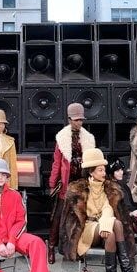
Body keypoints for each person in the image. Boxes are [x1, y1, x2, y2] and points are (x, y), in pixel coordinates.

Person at [62, 148, 137, 272]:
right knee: (115, 224)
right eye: (100, 170)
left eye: (103, 169)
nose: (104, 172)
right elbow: (71, 221)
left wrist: (105, 223)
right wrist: (106, 223)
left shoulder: (109, 187)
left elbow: (109, 208)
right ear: (91, 172)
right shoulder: (77, 189)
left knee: (111, 233)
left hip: (105, 227)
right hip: (87, 229)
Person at [47, 102, 95, 263]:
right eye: (76, 119)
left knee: (79, 217)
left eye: (81, 119)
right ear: (69, 119)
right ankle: (51, 247)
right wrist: (53, 183)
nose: (79, 122)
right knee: (58, 216)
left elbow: (91, 163)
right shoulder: (62, 138)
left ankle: (78, 249)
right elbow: (56, 163)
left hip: (81, 184)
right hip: (67, 184)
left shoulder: (87, 138)